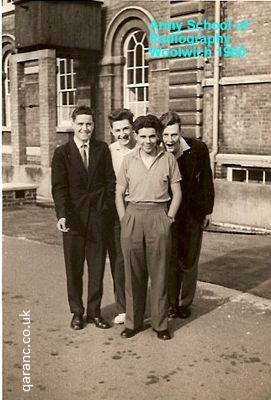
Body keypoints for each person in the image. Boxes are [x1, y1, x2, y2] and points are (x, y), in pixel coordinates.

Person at [116, 114, 182, 340]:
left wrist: (169, 218)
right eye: (142, 136)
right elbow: (118, 193)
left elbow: (177, 193)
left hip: (158, 215)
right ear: (136, 136)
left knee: (160, 273)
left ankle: (160, 324)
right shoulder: (128, 160)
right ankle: (132, 323)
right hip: (133, 214)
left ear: (158, 137)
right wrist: (124, 218)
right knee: (133, 273)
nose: (147, 141)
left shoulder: (168, 159)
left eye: (152, 136)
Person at [51, 105, 115, 330]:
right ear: (73, 124)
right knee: (74, 267)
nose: (85, 128)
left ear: (94, 125)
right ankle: (77, 312)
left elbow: (110, 182)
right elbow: (59, 188)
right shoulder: (62, 153)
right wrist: (62, 215)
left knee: (97, 267)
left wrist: (105, 207)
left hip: (99, 218)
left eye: (89, 124)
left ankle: (95, 312)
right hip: (73, 220)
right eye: (80, 124)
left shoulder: (102, 149)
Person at [160, 111, 215, 319]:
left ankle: (184, 303)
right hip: (168, 214)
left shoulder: (198, 149)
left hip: (192, 213)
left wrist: (208, 210)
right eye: (165, 135)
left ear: (180, 132)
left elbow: (207, 182)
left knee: (190, 261)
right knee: (171, 259)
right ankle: (171, 304)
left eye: (173, 135)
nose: (169, 140)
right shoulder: (158, 152)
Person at [107, 108, 136, 324]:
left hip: (141, 205)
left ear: (132, 128)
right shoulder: (108, 152)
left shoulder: (144, 147)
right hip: (117, 208)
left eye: (126, 128)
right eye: (118, 130)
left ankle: (141, 304)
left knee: (141, 257)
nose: (123, 134)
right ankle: (123, 308)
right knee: (119, 258)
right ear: (112, 131)